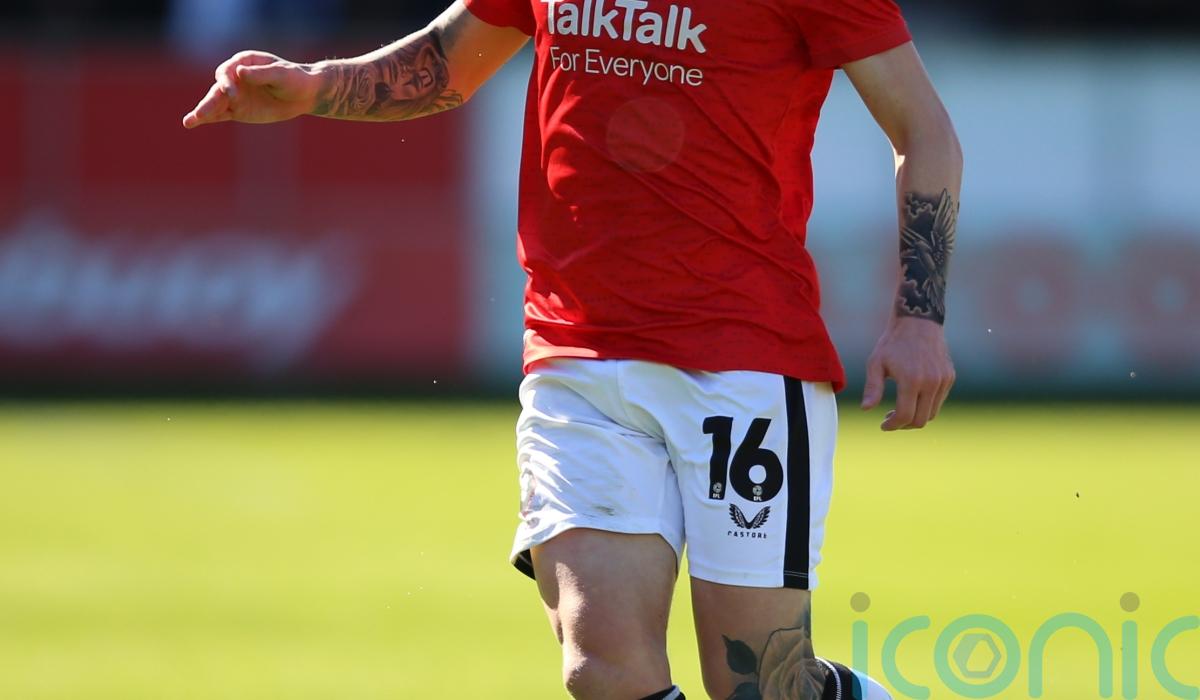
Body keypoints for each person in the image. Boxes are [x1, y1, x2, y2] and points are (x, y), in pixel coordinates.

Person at [183, 0, 961, 696]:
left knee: (761, 684)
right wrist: (314, 87)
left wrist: (919, 317)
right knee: (601, 669)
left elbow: (924, 132)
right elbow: (448, 64)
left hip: (742, 358)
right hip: (576, 353)